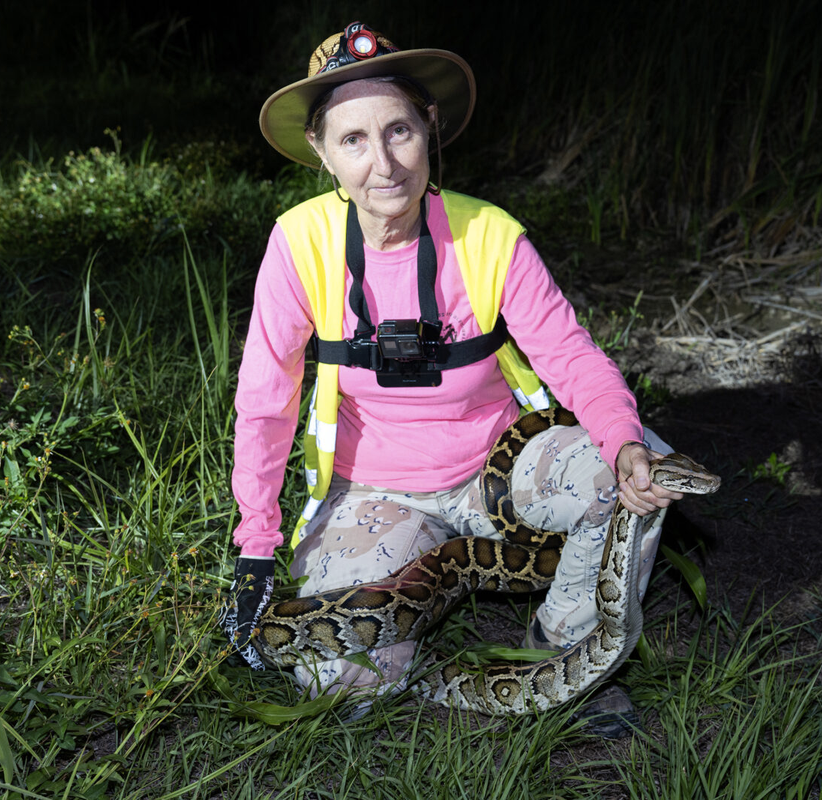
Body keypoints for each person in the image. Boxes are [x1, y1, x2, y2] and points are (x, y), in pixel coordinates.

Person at [222, 22, 680, 737]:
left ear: (429, 126)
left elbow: (574, 357)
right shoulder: (299, 243)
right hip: (371, 489)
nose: (383, 164)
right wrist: (257, 546)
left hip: (495, 473)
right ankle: (418, 610)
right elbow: (264, 404)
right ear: (320, 152)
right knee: (339, 681)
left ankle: (568, 655)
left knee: (632, 471)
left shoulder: (489, 234)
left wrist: (622, 442)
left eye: (398, 130)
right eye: (353, 140)